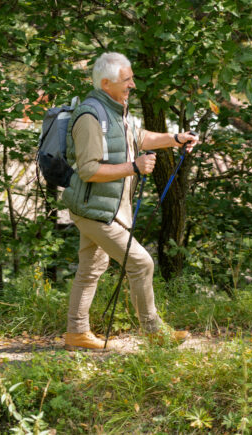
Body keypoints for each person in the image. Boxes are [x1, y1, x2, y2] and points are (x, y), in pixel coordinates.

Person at [62, 52, 199, 350]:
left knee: (91, 267)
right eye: (127, 80)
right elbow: (88, 170)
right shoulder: (90, 116)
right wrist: (133, 167)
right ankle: (153, 332)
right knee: (141, 262)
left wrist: (175, 139)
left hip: (104, 208)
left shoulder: (115, 110)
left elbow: (139, 137)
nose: (132, 85)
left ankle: (76, 333)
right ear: (107, 82)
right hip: (94, 211)